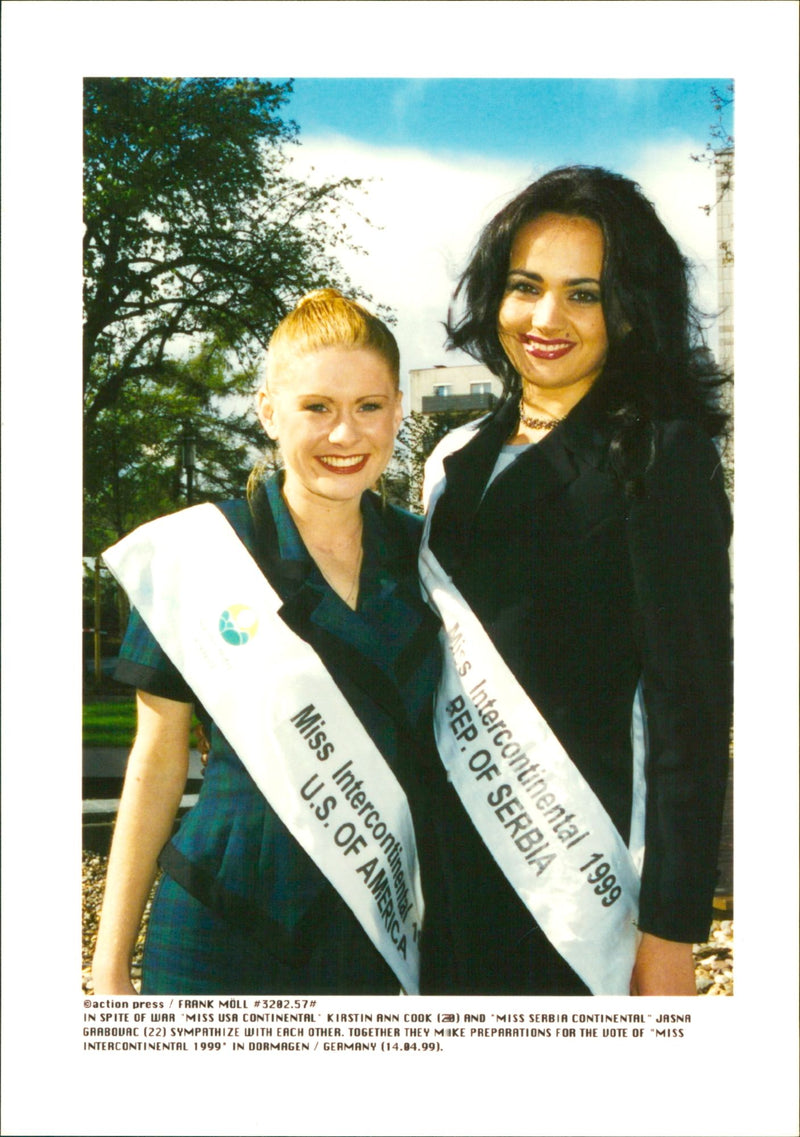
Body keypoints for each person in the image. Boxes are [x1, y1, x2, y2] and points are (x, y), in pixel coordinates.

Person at [419, 166, 732, 996]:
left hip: (576, 879)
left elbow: (689, 710)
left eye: (583, 294)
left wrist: (669, 930)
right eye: (526, 287)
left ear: (630, 310)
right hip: (442, 876)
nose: (546, 318)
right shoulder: (451, 461)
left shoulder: (662, 456)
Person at [92, 289, 441, 996]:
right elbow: (156, 761)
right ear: (268, 411)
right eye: (317, 407)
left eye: (368, 407)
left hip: (378, 929)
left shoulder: (431, 556)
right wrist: (108, 962)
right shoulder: (203, 552)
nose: (346, 434)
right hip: (221, 923)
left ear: (399, 410)